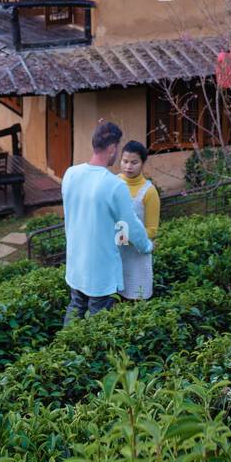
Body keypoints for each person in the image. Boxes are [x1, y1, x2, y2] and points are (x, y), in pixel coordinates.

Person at [61, 120, 152, 326]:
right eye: (117, 148)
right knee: (99, 325)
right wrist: (146, 246)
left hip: (76, 262)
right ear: (112, 148)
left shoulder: (70, 174)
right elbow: (130, 225)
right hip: (101, 270)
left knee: (75, 309)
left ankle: (61, 353)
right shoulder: (114, 185)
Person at [118, 141, 159, 301]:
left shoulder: (149, 192)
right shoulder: (113, 183)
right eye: (125, 161)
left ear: (142, 163)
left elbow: (152, 229)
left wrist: (126, 237)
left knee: (137, 300)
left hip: (137, 256)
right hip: (115, 255)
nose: (128, 166)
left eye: (134, 162)